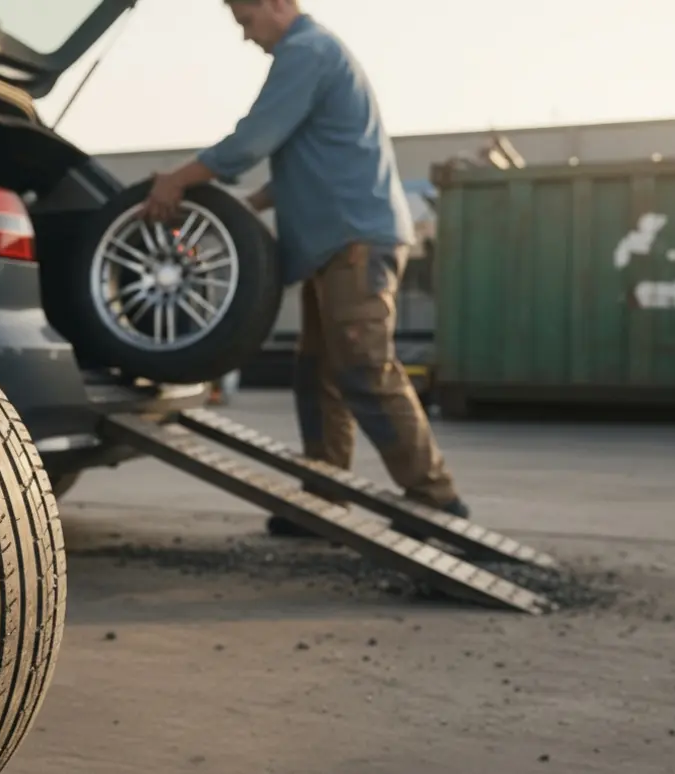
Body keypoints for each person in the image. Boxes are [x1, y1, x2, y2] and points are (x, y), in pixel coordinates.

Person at [139, 0, 470, 536]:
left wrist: (177, 179)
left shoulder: (307, 52)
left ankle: (437, 502)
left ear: (277, 3)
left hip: (354, 242)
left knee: (363, 367)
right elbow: (304, 163)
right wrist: (246, 208)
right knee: (317, 376)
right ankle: (324, 500)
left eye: (246, 21)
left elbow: (251, 141)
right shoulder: (316, 54)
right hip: (336, 245)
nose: (246, 37)